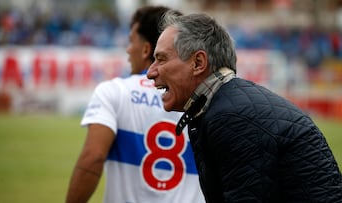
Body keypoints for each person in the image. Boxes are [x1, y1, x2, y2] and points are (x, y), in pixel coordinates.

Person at [147, 12, 342, 202]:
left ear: (198, 62)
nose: (151, 72)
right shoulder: (228, 106)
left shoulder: (231, 117)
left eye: (161, 59)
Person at [66, 6, 204, 203]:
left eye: (131, 41)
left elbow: (93, 158)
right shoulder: (202, 100)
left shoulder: (114, 92)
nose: (128, 49)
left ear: (147, 49)